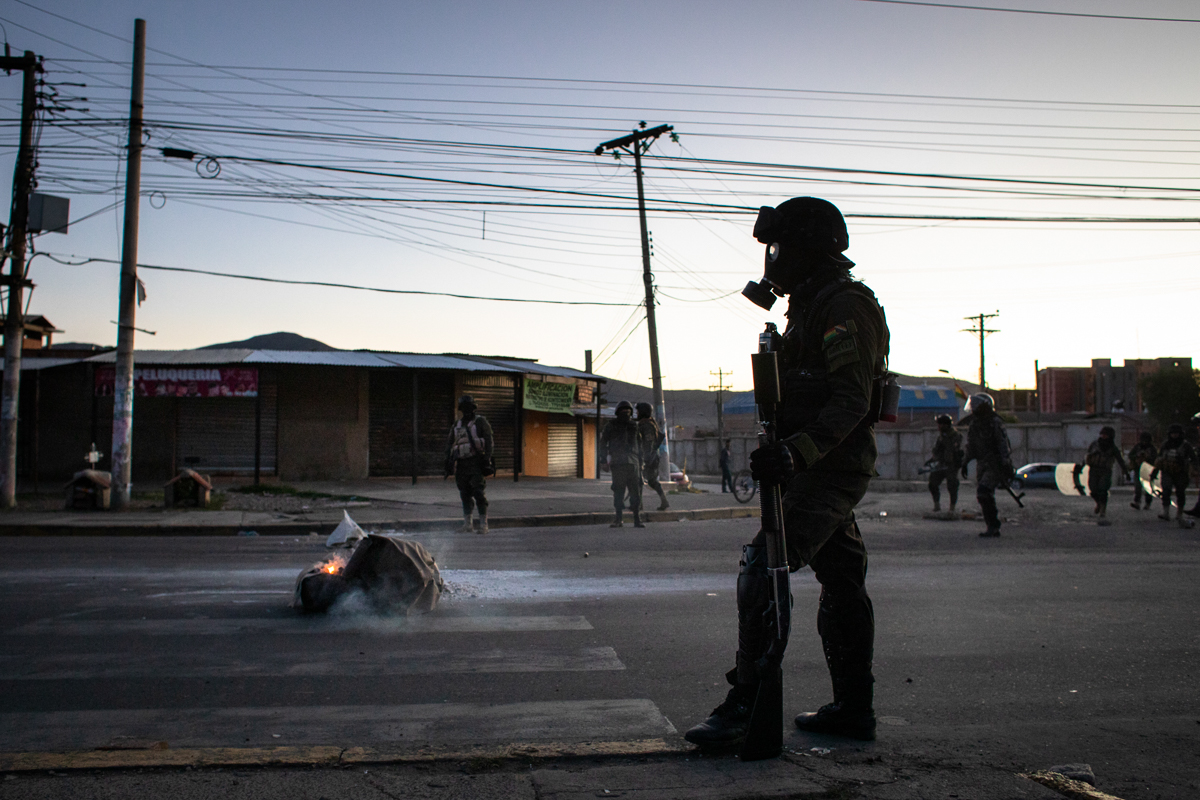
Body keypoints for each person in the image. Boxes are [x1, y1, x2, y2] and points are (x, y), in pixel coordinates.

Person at [684, 196, 890, 747]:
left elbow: (851, 401)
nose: (773, 259)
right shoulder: (809, 306)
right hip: (809, 466)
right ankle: (853, 709)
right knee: (843, 584)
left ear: (811, 248)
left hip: (829, 468)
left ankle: (748, 703)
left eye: (781, 247)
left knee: (761, 568)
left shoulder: (844, 306)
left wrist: (797, 452)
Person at [961, 393, 1013, 538]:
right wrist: (965, 462)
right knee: (983, 495)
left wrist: (1005, 464)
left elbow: (1003, 445)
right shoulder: (975, 424)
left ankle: (993, 526)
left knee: (984, 492)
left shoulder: (995, 423)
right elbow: (971, 446)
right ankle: (991, 526)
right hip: (982, 464)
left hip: (994, 464)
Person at [444, 394, 494, 534]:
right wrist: (447, 461)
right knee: (464, 493)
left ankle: (483, 524)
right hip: (462, 464)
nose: (467, 411)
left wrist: (487, 459)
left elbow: (489, 441)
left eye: (469, 408)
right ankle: (468, 524)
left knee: (478, 492)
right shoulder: (457, 425)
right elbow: (450, 443)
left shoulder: (480, 422)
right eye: (464, 408)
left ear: (473, 408)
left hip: (476, 462)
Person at [600, 400, 644, 528]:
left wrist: (641, 463)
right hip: (620, 463)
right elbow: (603, 443)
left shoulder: (634, 426)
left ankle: (635, 519)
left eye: (628, 411)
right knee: (620, 492)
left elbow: (639, 445)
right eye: (624, 411)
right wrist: (603, 460)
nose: (626, 413)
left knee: (634, 493)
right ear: (618, 412)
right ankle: (620, 519)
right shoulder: (611, 425)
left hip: (631, 464)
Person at [1076, 426, 1128, 525]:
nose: (1103, 436)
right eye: (1102, 434)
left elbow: (1120, 460)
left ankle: (1103, 509)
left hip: (1105, 471)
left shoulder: (1113, 448)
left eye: (1106, 435)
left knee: (1103, 490)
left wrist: (1125, 471)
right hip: (1094, 470)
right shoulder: (1094, 445)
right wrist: (1081, 467)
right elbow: (1088, 456)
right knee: (1093, 490)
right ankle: (1098, 504)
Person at [1149, 423, 1197, 527]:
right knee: (1166, 491)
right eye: (1172, 433)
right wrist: (1154, 473)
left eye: (1176, 433)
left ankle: (1179, 513)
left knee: (1180, 492)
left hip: (1181, 472)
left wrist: (1194, 469)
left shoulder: (1185, 445)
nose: (1174, 435)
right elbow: (1159, 460)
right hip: (1167, 472)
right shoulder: (1165, 445)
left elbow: (1193, 459)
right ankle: (1166, 512)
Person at [636, 402, 670, 511]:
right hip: (650, 458)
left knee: (638, 480)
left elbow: (648, 444)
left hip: (648, 458)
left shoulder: (647, 426)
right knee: (652, 481)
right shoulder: (646, 424)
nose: (636, 413)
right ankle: (664, 501)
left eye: (638, 411)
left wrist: (644, 459)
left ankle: (638, 504)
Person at [928, 413, 963, 514]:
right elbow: (937, 450)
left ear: (946, 425)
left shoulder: (955, 435)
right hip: (940, 464)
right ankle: (937, 505)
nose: (938, 427)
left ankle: (952, 508)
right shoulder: (941, 436)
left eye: (940, 424)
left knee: (952, 485)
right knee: (933, 484)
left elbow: (952, 449)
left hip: (951, 464)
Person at [1127, 431, 1157, 510]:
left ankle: (1147, 503)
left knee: (1148, 487)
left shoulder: (1152, 448)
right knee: (1138, 487)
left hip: (1148, 469)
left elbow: (1155, 458)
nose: (1144, 442)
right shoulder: (1137, 447)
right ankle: (1137, 502)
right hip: (1138, 468)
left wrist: (1147, 457)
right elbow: (1130, 455)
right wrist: (1137, 456)